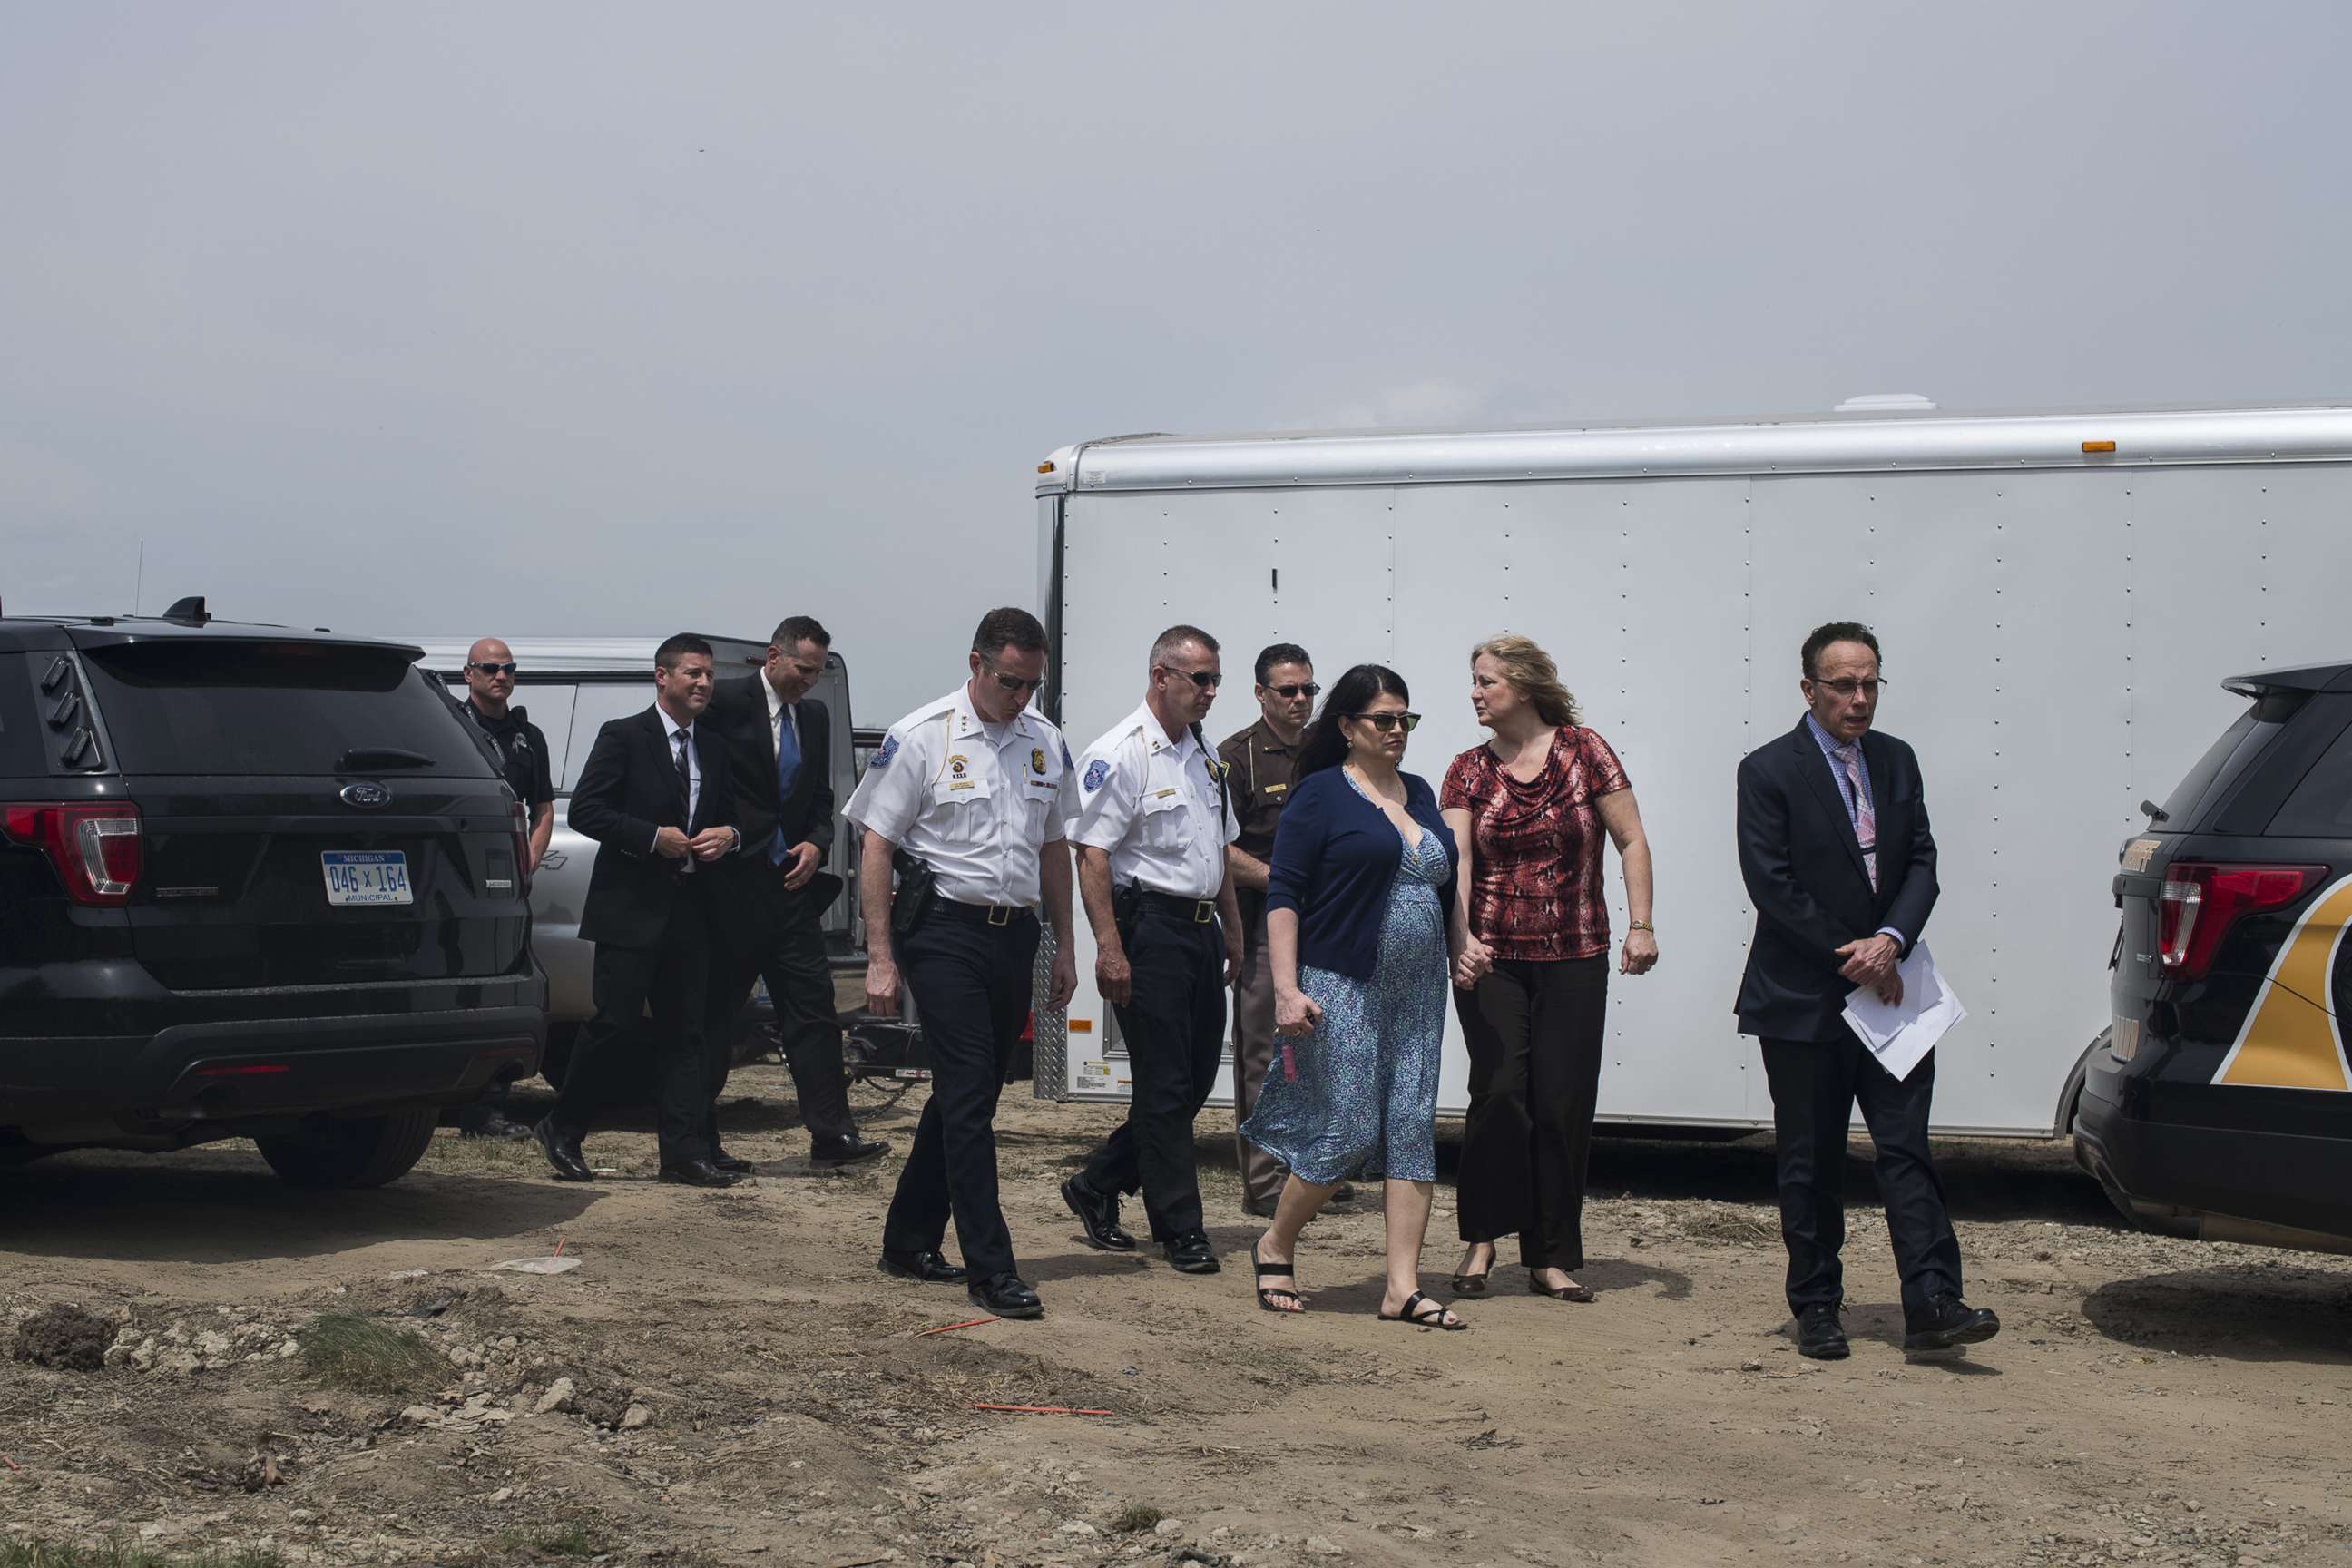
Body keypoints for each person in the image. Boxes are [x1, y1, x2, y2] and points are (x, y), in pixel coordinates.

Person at [1735, 621, 1999, 1361]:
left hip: (1895, 995)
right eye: (1844, 685)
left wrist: (1892, 944)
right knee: (1811, 1159)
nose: (1859, 699)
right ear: (1809, 689)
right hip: (1804, 999)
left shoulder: (1896, 760)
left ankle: (1933, 1302)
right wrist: (1849, 953)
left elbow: (1921, 858)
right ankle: (1818, 1305)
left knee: (1906, 1148)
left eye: (1870, 684)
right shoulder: (1768, 770)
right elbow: (1772, 884)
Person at [846, 608, 1079, 1321]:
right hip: (943, 931)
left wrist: (1065, 944)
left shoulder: (1045, 742)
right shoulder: (922, 737)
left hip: (1015, 936)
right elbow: (877, 846)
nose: (1022, 697)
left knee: (966, 1092)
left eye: (1032, 685)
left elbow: (1053, 848)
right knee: (972, 1097)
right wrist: (880, 958)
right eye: (1010, 681)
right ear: (975, 665)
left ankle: (907, 1240)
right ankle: (992, 1266)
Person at [1240, 664, 1468, 1328]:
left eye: (1406, 720)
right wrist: (1285, 989)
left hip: (1419, 989)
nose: (1397, 731)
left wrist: (1462, 944)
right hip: (1341, 980)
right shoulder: (1318, 796)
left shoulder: (1420, 792)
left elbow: (1441, 885)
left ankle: (1401, 1286)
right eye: (1383, 720)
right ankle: (1275, 1242)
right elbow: (1284, 896)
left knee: (1410, 1130)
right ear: (1346, 726)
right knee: (1347, 1128)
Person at [1441, 635, 1656, 1303]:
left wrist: (1642, 924)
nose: (1475, 692)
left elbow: (1631, 840)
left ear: (1525, 687)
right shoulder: (1467, 769)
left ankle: (1552, 1257)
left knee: (1562, 1103)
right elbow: (1458, 864)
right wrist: (1460, 940)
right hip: (1493, 959)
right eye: (1473, 681)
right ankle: (1483, 1237)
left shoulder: (1585, 751)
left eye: (1487, 682)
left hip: (1577, 954)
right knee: (1500, 1091)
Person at [1062, 625, 1242, 1276]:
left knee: (1191, 1083)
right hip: (1151, 931)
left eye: (1215, 679)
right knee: (1163, 1085)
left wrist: (1235, 932)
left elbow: (1218, 851)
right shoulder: (1120, 752)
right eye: (1200, 678)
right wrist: (1108, 947)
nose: (1210, 691)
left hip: (1200, 933)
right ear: (1161, 676)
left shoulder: (1205, 756)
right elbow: (1093, 856)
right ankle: (1180, 1228)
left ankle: (1098, 1181)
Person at [534, 634, 742, 1189]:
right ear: (663, 678)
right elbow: (589, 811)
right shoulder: (624, 736)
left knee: (685, 1033)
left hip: (692, 911)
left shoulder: (714, 747)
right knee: (613, 1025)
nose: (702, 684)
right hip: (630, 910)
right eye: (693, 674)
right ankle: (562, 1125)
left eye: (708, 676)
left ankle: (680, 1152)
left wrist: (731, 834)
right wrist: (652, 838)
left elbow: (730, 815)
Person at [702, 615, 888, 1173]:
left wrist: (815, 842)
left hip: (791, 892)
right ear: (773, 657)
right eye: (803, 669)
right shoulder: (724, 703)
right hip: (733, 889)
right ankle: (696, 1139)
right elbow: (706, 786)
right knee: (716, 1018)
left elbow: (820, 799)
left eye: (817, 671)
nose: (809, 680)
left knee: (814, 1014)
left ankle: (832, 1134)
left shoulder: (814, 715)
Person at [1218, 643, 1351, 1218]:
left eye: (1308, 690)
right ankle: (1267, 1184)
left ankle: (1313, 1172)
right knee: (1265, 1052)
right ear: (1261, 694)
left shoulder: (1332, 748)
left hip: (1330, 923)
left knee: (1323, 1048)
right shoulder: (1236, 758)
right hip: (1266, 921)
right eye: (1288, 691)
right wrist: (1282, 880)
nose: (1300, 701)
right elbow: (1218, 849)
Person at [455, 637, 554, 1141]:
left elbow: (543, 808)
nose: (501, 676)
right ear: (468, 673)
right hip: (455, 877)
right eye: (490, 668)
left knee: (502, 986)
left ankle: (488, 1108)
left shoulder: (527, 736)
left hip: (507, 882)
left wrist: (529, 860)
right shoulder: (450, 726)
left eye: (509, 668)